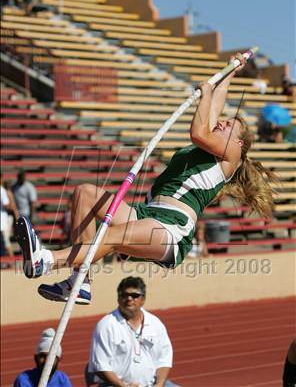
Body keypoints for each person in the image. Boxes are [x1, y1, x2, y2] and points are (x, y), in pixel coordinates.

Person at [15, 53, 277, 304]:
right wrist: (230, 72)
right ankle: (79, 281)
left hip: (172, 228)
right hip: (146, 213)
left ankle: (47, 261)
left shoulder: (232, 156)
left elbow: (198, 131)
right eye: (222, 121)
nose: (221, 123)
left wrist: (205, 94)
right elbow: (213, 111)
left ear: (239, 142)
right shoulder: (210, 146)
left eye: (228, 125)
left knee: (113, 234)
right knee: (85, 193)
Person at [86, 276, 177, 387]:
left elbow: (164, 360)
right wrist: (123, 386)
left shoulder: (155, 324)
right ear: (118, 298)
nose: (129, 299)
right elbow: (101, 366)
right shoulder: (106, 325)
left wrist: (159, 384)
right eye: (124, 295)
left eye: (135, 296)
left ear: (143, 299)